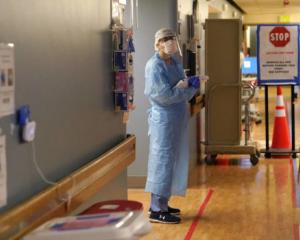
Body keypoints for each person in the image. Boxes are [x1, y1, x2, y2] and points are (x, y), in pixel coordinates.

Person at [144, 28, 200, 224]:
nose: (169, 43)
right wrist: (190, 90)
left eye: (172, 39)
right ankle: (156, 210)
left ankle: (163, 203)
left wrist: (191, 82)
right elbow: (164, 95)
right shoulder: (154, 66)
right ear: (157, 43)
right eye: (165, 39)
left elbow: (179, 83)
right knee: (162, 161)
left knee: (172, 161)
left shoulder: (174, 61)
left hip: (176, 117)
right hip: (164, 120)